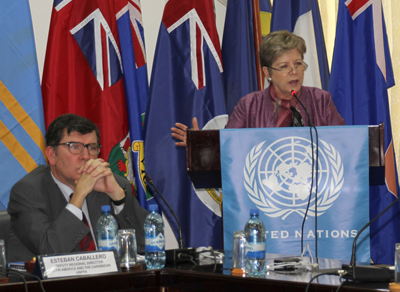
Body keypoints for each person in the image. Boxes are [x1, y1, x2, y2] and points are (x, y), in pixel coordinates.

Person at [7, 114, 148, 262]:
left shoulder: (111, 184)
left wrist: (119, 198)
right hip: (50, 284)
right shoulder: (27, 191)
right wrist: (78, 196)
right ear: (51, 155)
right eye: (75, 147)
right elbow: (50, 251)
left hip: (108, 282)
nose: (86, 156)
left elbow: (148, 244)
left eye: (92, 147)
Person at [171, 30, 344, 144]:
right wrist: (200, 144)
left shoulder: (321, 100)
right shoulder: (249, 106)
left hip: (315, 192)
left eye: (298, 64)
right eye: (284, 66)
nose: (294, 72)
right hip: (264, 191)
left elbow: (345, 142)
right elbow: (228, 146)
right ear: (267, 73)